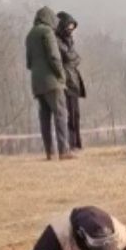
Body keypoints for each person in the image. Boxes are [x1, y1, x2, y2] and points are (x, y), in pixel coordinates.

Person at [26, 7, 73, 160]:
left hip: (37, 83)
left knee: (44, 118)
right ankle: (64, 150)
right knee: (60, 114)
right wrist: (61, 75)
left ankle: (50, 152)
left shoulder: (29, 35)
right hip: (52, 82)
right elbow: (54, 56)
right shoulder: (47, 32)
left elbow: (29, 62)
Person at [56, 12, 86, 152]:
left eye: (72, 27)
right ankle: (70, 144)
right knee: (69, 114)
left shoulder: (69, 40)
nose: (71, 29)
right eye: (69, 26)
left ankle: (77, 143)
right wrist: (73, 58)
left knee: (76, 114)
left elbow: (77, 58)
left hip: (73, 80)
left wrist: (73, 58)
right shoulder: (57, 41)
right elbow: (69, 57)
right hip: (66, 81)